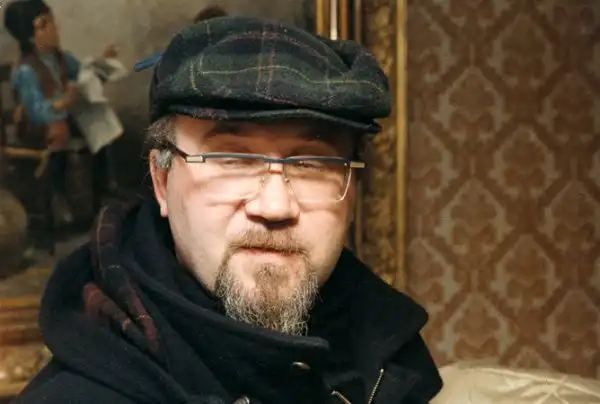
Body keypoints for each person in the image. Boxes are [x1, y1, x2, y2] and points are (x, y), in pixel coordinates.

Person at [12, 16, 443, 404]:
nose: (274, 207)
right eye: (233, 159)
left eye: (312, 163)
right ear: (161, 181)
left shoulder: (392, 362)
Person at [3, 0, 119, 224]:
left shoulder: (62, 58)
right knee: (60, 132)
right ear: (30, 37)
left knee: (97, 123)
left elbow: (83, 73)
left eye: (52, 22)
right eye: (44, 24)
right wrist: (62, 103)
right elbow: (35, 110)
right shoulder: (26, 70)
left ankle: (102, 188)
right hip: (38, 127)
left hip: (64, 118)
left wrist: (101, 65)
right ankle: (58, 196)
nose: (54, 28)